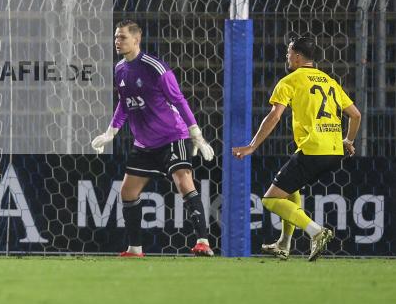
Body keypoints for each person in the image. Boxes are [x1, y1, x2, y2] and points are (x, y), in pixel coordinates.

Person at [90, 20, 216, 257]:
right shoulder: (119, 69)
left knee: (183, 182)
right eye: (116, 37)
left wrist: (195, 133)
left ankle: (203, 242)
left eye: (122, 37)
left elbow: (178, 99)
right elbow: (124, 103)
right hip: (144, 144)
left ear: (136, 39)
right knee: (127, 192)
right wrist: (111, 132)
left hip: (171, 136)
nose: (117, 41)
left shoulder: (154, 67)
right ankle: (135, 249)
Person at [233, 37, 361, 262]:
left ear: (298, 56)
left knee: (270, 200)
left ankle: (316, 232)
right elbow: (356, 114)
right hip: (334, 150)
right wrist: (348, 140)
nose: (287, 57)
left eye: (289, 53)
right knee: (291, 189)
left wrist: (253, 145)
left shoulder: (290, 80)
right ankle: (283, 244)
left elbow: (274, 116)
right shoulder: (329, 80)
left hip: (314, 149)